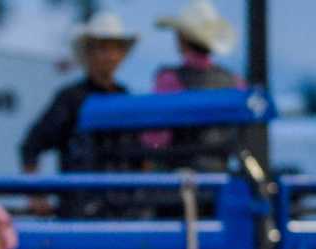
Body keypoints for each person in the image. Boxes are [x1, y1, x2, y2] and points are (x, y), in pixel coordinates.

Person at [19, 10, 139, 218]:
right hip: (80, 210)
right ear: (89, 53)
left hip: (123, 211)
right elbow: (31, 146)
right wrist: (36, 196)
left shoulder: (127, 98)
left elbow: (140, 156)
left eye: (115, 48)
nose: (110, 55)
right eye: (102, 48)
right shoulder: (71, 99)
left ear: (122, 54)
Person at [145, 0, 245, 171]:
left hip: (180, 177)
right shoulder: (234, 81)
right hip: (221, 173)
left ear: (182, 38)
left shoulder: (169, 79)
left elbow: (156, 139)